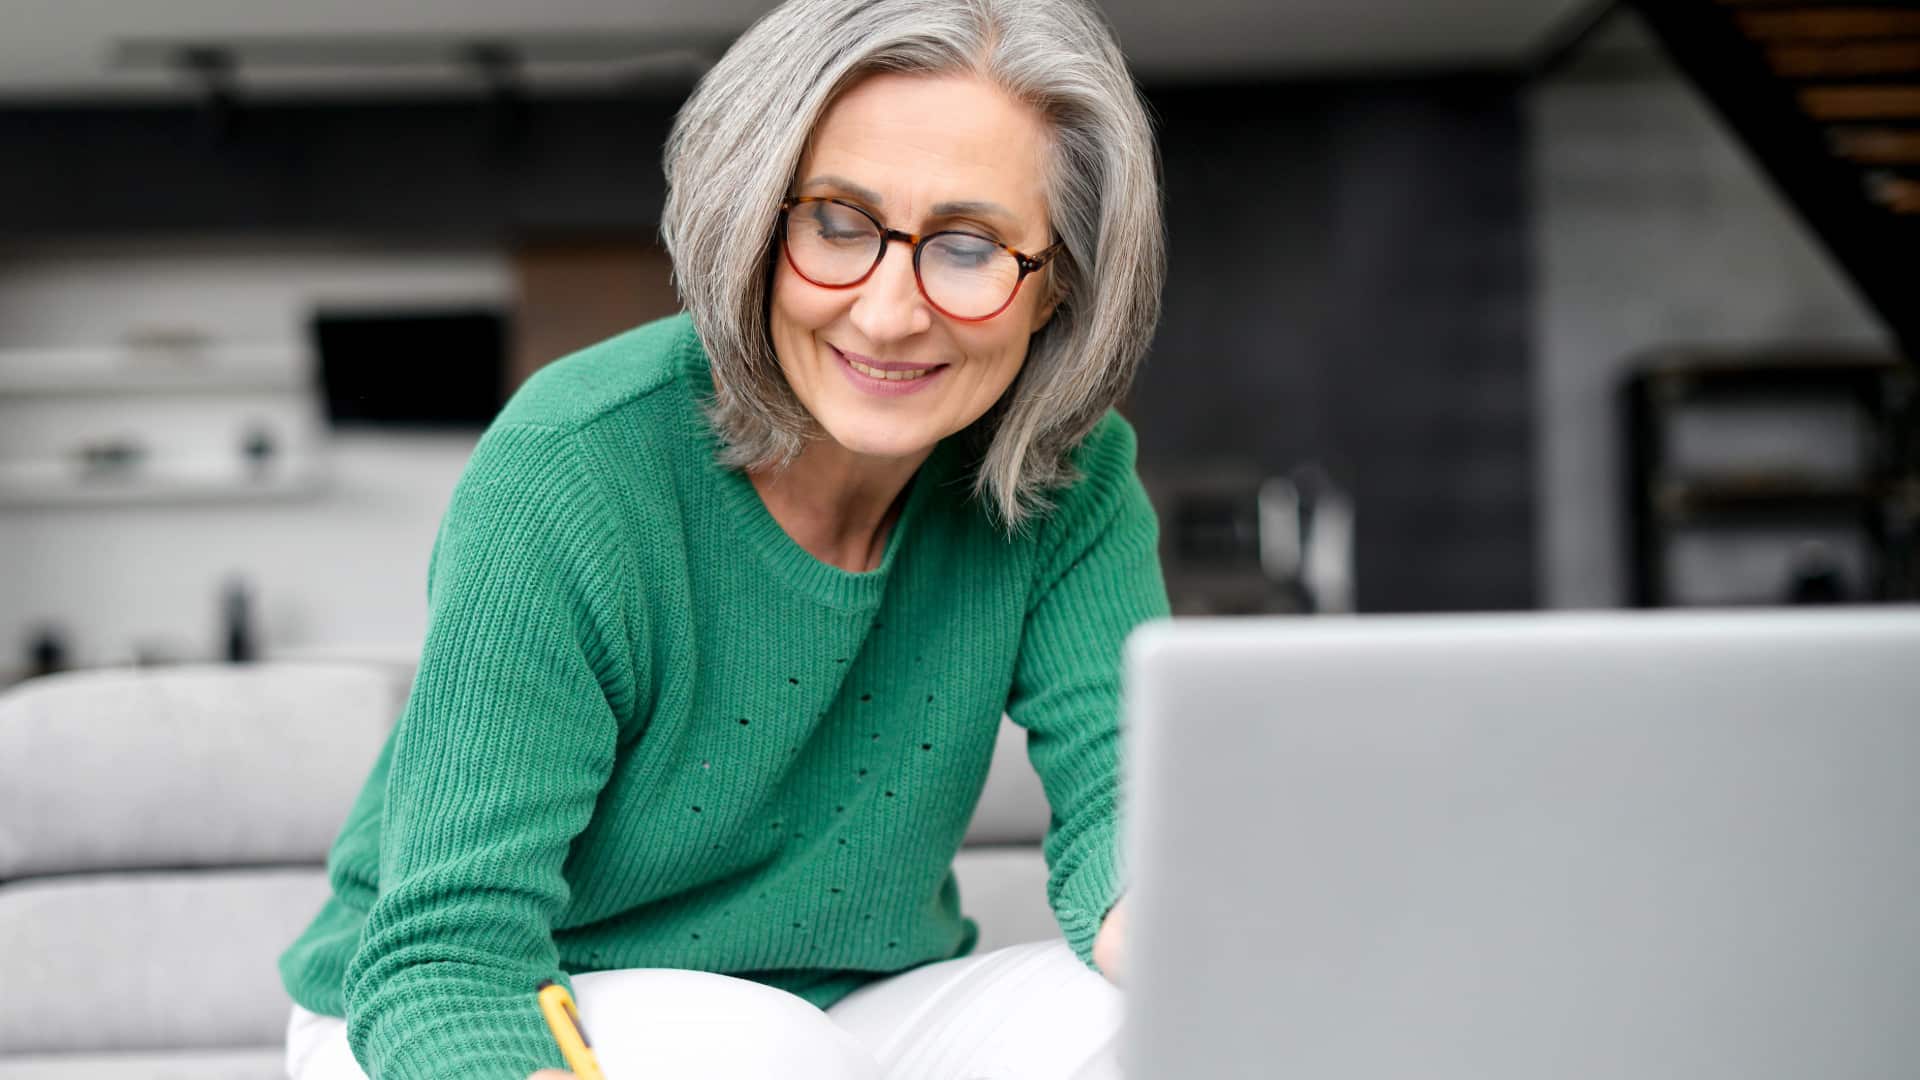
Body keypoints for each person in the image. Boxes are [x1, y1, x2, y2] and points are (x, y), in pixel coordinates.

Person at [277, 0, 1166, 1075]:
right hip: (486, 1002)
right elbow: (445, 958)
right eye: (837, 223)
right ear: (754, 222)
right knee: (764, 1050)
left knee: (1148, 1013)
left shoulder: (1067, 472)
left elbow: (1130, 805)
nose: (888, 315)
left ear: (1054, 285)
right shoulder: (577, 463)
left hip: (854, 1008)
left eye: (969, 246)